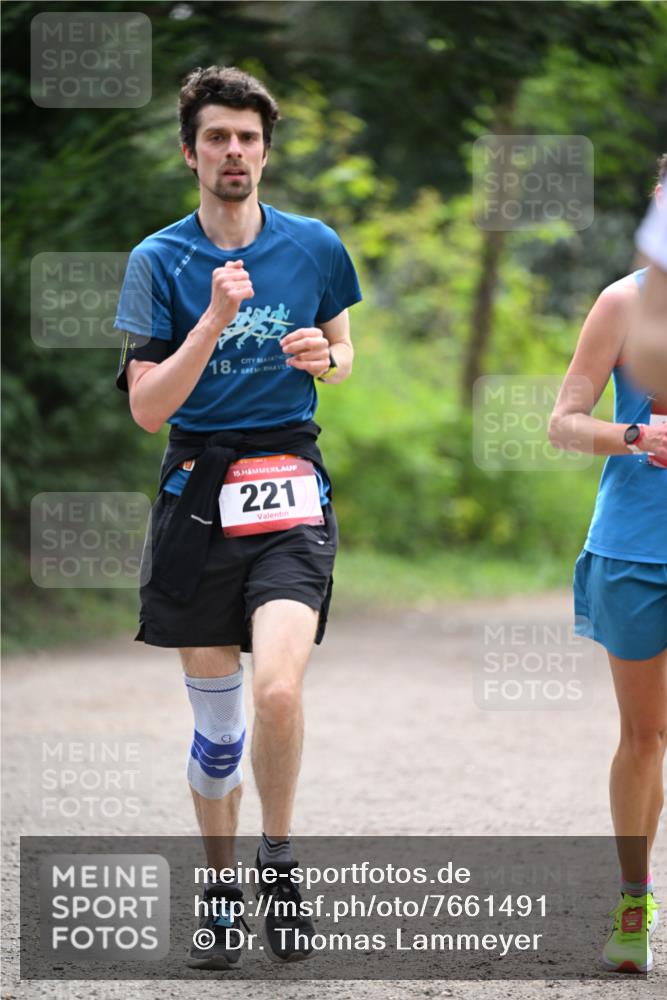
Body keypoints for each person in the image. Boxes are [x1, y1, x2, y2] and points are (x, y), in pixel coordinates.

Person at [113, 65, 362, 969]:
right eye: (216, 137)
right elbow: (147, 408)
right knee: (219, 736)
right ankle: (219, 887)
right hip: (195, 498)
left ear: (265, 151)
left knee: (281, 690)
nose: (233, 152)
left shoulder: (314, 245)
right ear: (190, 153)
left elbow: (342, 353)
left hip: (289, 482)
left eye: (248, 138)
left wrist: (322, 359)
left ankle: (279, 860)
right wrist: (213, 321)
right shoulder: (158, 261)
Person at [549, 154, 667, 973]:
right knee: (644, 735)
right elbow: (563, 422)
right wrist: (634, 435)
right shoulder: (623, 303)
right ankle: (633, 901)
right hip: (635, 548)